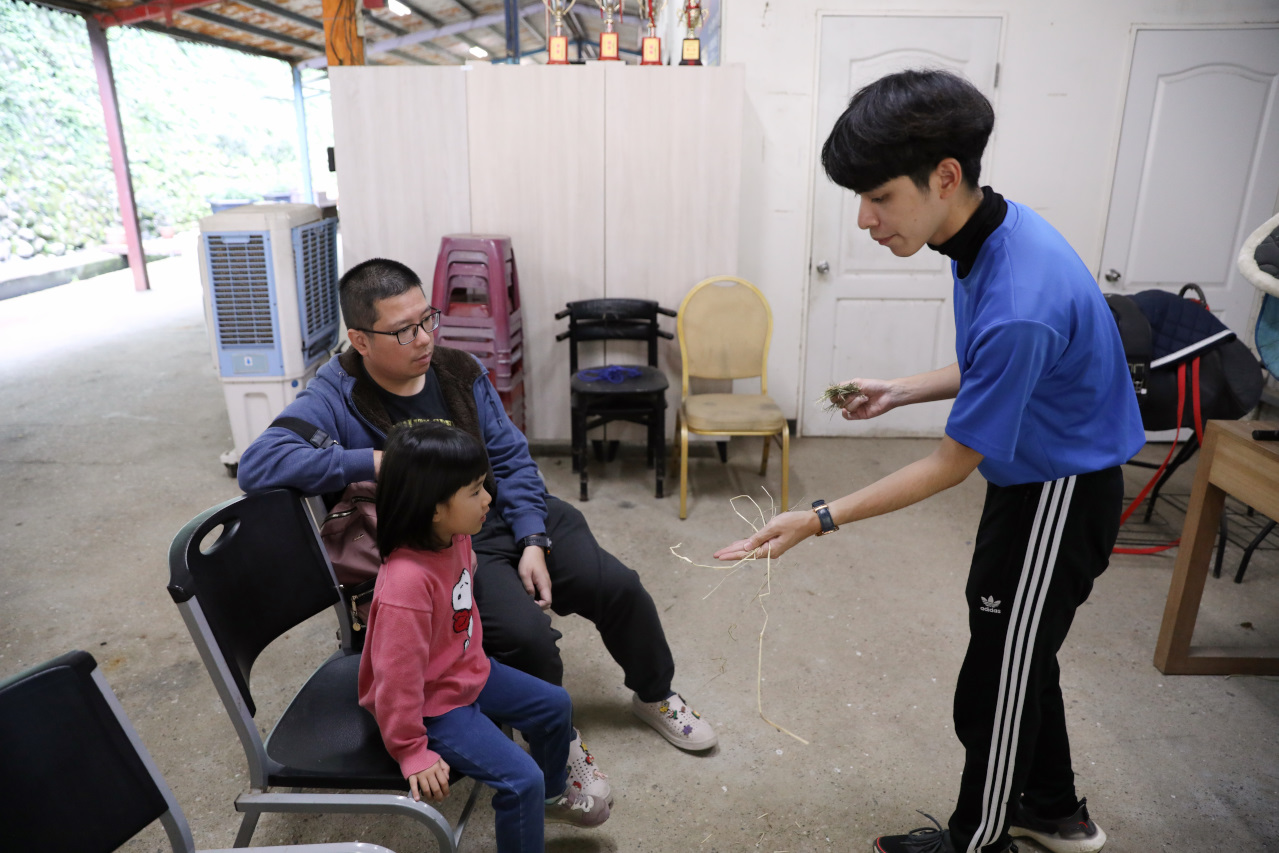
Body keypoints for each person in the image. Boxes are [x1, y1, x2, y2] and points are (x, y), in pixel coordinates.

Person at [714, 69, 1142, 853]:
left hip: (1060, 490)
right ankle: (1052, 807)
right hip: (1034, 472)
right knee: (1015, 648)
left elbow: (951, 461)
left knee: (995, 680)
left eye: (879, 197)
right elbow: (1004, 367)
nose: (864, 218)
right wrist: (902, 388)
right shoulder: (983, 232)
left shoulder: (1019, 293)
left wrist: (816, 517)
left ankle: (978, 841)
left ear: (943, 176)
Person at [238, 257, 717, 803]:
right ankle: (557, 744)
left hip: (506, 508)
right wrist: (375, 462)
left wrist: (532, 537)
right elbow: (259, 465)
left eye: (428, 319)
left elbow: (511, 458)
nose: (425, 338)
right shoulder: (336, 392)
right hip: (448, 543)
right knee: (528, 638)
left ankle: (655, 693)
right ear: (361, 340)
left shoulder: (458, 370)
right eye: (404, 330)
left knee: (618, 586)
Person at [359, 422, 609, 851]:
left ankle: (549, 798)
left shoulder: (455, 537)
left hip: (467, 670)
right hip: (430, 704)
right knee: (520, 780)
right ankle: (533, 795)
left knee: (556, 705)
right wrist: (410, 748)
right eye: (475, 491)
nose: (488, 498)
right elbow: (395, 680)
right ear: (434, 508)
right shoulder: (405, 584)